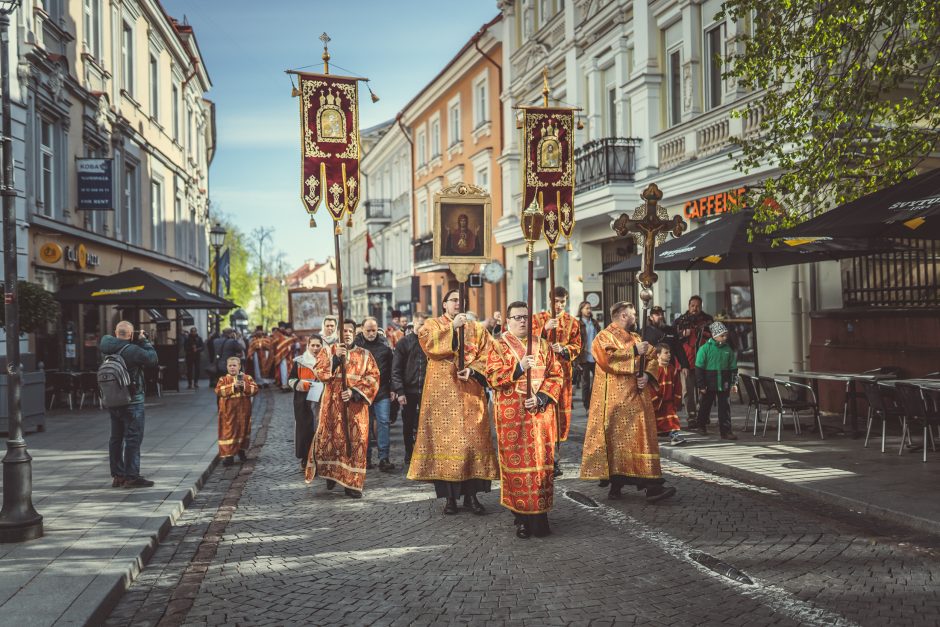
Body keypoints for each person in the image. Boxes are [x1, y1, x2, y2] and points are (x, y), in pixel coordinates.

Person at [407, 289, 499, 515]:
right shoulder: (433, 324)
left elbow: (489, 354)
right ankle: (450, 499)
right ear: (445, 304)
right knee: (445, 445)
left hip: (470, 394)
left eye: (461, 300)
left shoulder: (477, 328)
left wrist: (473, 370)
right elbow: (428, 344)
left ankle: (472, 496)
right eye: (454, 300)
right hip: (442, 398)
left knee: (472, 444)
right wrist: (452, 328)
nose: (458, 304)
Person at [580, 301, 677, 503]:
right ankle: (617, 484)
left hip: (637, 399)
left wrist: (648, 376)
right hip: (614, 403)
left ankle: (653, 486)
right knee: (617, 443)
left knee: (642, 441)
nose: (635, 317)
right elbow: (606, 360)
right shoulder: (603, 336)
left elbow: (651, 357)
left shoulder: (636, 337)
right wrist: (634, 353)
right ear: (623, 315)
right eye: (633, 314)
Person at [486, 301, 563, 539]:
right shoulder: (498, 346)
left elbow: (556, 374)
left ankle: (540, 516)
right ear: (507, 321)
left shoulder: (542, 345)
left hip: (540, 416)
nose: (522, 321)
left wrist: (541, 397)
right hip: (513, 417)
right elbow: (492, 377)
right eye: (517, 317)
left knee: (540, 468)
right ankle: (520, 517)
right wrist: (518, 368)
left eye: (525, 317)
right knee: (518, 467)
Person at [305, 320, 379, 498]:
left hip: (356, 408)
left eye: (350, 331)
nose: (346, 333)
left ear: (355, 333)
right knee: (330, 440)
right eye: (343, 331)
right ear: (338, 333)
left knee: (356, 442)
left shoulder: (365, 354)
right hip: (332, 406)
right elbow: (320, 372)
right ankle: (331, 474)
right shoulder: (328, 351)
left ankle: (352, 484)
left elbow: (374, 377)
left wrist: (355, 392)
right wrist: (336, 359)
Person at [100, 321, 159, 488]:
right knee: (133, 438)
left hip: (113, 400)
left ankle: (118, 475)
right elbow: (153, 359)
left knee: (116, 438)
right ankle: (132, 476)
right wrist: (144, 341)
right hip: (132, 401)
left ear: (115, 333)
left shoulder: (106, 348)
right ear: (131, 335)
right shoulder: (132, 350)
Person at [531, 287, 581, 477]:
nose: (559, 305)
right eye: (556, 301)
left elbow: (577, 346)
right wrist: (544, 330)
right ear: (549, 300)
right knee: (544, 415)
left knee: (560, 418)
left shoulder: (572, 322)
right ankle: (544, 457)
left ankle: (555, 458)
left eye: (563, 301)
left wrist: (564, 348)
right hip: (542, 375)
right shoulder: (537, 319)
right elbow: (528, 340)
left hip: (563, 376)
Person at [356, 317, 396, 472]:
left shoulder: (385, 347)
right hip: (362, 393)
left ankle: (383, 458)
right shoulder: (357, 346)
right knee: (364, 425)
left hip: (382, 391)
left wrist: (394, 388)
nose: (372, 333)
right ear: (362, 329)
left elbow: (393, 369)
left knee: (383, 423)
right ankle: (365, 458)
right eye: (368, 330)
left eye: (374, 330)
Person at [391, 313, 428, 465]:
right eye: (420, 325)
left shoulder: (431, 342)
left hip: (427, 389)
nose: (422, 328)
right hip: (409, 390)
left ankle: (425, 451)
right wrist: (400, 391)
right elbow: (396, 369)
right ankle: (409, 452)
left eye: (425, 325)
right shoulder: (404, 343)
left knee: (427, 422)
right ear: (413, 324)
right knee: (408, 421)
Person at [695, 321, 739, 440]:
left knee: (725, 408)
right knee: (705, 405)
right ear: (714, 335)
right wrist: (701, 385)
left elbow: (734, 368)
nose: (725, 337)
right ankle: (701, 425)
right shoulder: (704, 349)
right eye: (722, 335)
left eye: (726, 335)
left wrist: (734, 383)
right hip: (709, 383)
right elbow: (699, 368)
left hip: (723, 383)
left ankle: (726, 431)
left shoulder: (728, 349)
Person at [675, 296, 714, 426]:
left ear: (701, 306)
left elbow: (716, 338)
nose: (695, 308)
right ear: (688, 306)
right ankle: (691, 416)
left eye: (697, 306)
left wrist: (704, 333)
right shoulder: (681, 320)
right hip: (686, 362)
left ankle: (702, 414)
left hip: (705, 362)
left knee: (704, 391)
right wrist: (681, 334)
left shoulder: (708, 320)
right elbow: (674, 340)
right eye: (692, 305)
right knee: (687, 391)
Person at [215, 356, 260, 466]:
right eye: (230, 366)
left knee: (243, 430)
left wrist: (244, 386)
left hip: (243, 411)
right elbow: (218, 391)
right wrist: (232, 386)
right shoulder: (223, 379)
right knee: (228, 432)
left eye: (234, 365)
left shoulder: (246, 378)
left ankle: (241, 451)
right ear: (226, 367)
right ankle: (229, 455)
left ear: (239, 366)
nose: (232, 368)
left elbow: (255, 389)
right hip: (228, 413)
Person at [289, 335, 324, 471]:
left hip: (321, 400)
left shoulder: (327, 362)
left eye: (318, 345)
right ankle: (306, 458)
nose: (315, 348)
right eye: (313, 345)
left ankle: (320, 458)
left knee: (320, 429)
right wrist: (301, 384)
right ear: (308, 346)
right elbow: (291, 380)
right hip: (304, 402)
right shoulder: (300, 362)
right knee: (305, 430)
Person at [650, 344, 686, 446]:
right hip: (658, 402)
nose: (669, 354)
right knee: (657, 421)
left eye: (669, 352)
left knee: (672, 419)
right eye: (666, 352)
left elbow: (677, 385)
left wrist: (677, 398)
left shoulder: (672, 368)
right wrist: (655, 399)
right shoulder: (653, 369)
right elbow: (649, 386)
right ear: (658, 355)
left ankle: (674, 436)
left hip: (669, 401)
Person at [643, 306, 691, 372]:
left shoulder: (671, 330)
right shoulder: (644, 332)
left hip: (670, 369)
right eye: (657, 314)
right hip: (651, 370)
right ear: (651, 317)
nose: (661, 316)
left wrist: (685, 366)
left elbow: (679, 349)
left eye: (662, 314)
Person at [577, 301, 601, 409]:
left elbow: (600, 338)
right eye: (586, 308)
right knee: (585, 383)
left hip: (595, 357)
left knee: (597, 382)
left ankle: (593, 404)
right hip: (584, 358)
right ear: (581, 310)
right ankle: (587, 406)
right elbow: (575, 340)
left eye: (590, 308)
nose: (589, 310)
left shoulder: (595, 323)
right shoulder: (577, 324)